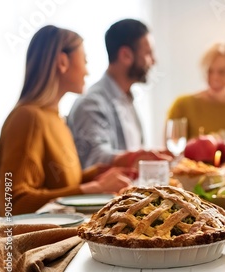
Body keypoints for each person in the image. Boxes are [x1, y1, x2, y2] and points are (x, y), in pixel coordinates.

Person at [0, 25, 133, 216]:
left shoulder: (56, 118)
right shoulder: (28, 118)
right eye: (84, 60)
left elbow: (61, 183)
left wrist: (102, 172)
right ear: (62, 62)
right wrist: (93, 188)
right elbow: (13, 204)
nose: (87, 71)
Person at [68, 19, 169, 169]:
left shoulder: (127, 98)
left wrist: (150, 156)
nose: (153, 61)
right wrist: (138, 156)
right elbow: (94, 158)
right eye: (148, 53)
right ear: (125, 55)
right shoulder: (91, 103)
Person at [167, 42, 225, 150]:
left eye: (222, 72)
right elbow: (172, 153)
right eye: (210, 71)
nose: (214, 77)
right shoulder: (182, 105)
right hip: (192, 167)